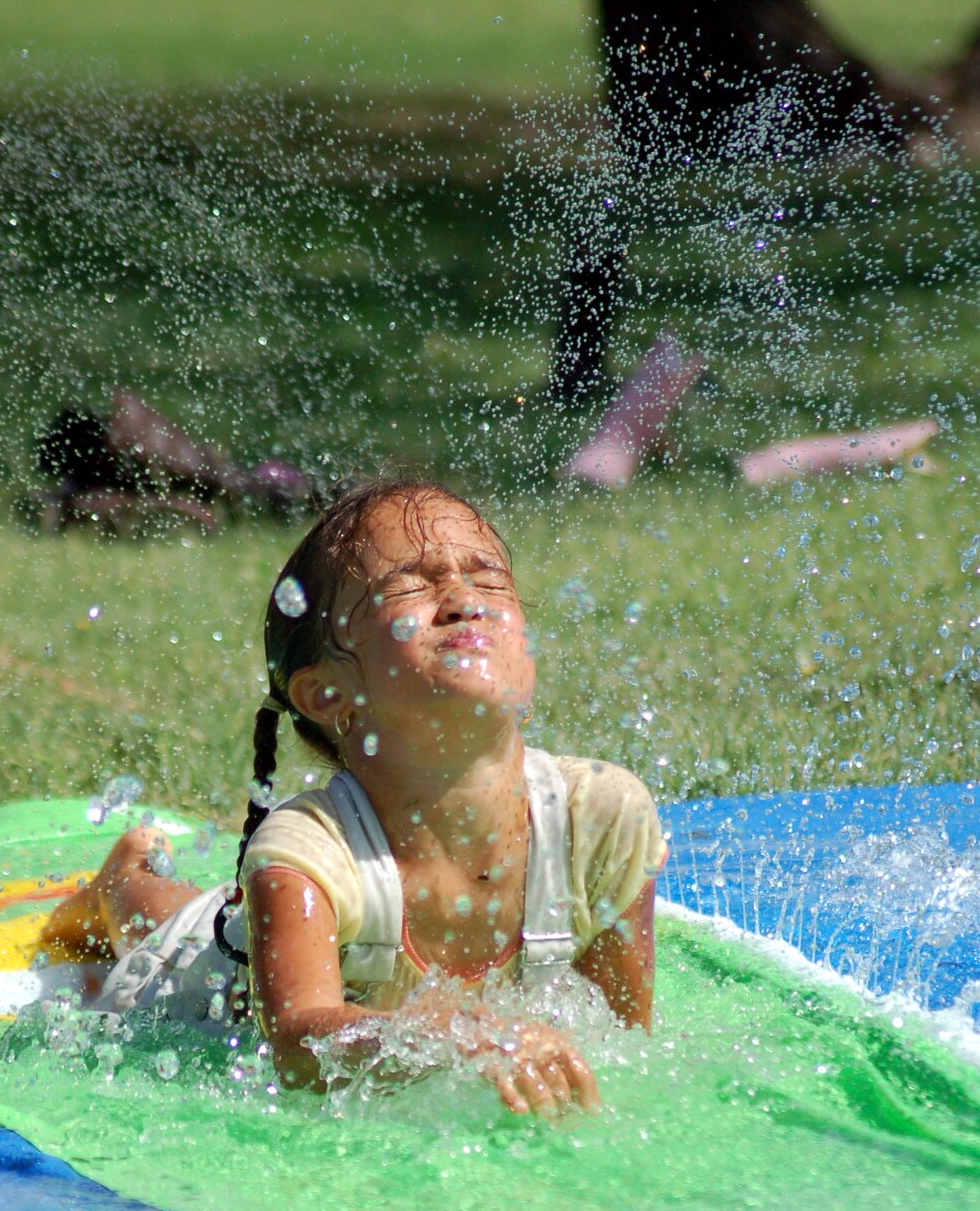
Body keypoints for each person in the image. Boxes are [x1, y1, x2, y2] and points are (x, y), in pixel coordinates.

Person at [41, 477, 667, 1114]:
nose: (461, 598)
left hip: (248, 926)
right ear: (326, 694)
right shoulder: (305, 849)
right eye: (408, 585)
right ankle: (122, 881)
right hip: (201, 981)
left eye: (488, 576)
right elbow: (294, 1045)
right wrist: (450, 1039)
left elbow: (623, 1047)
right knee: (172, 924)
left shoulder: (601, 819)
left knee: (212, 911)